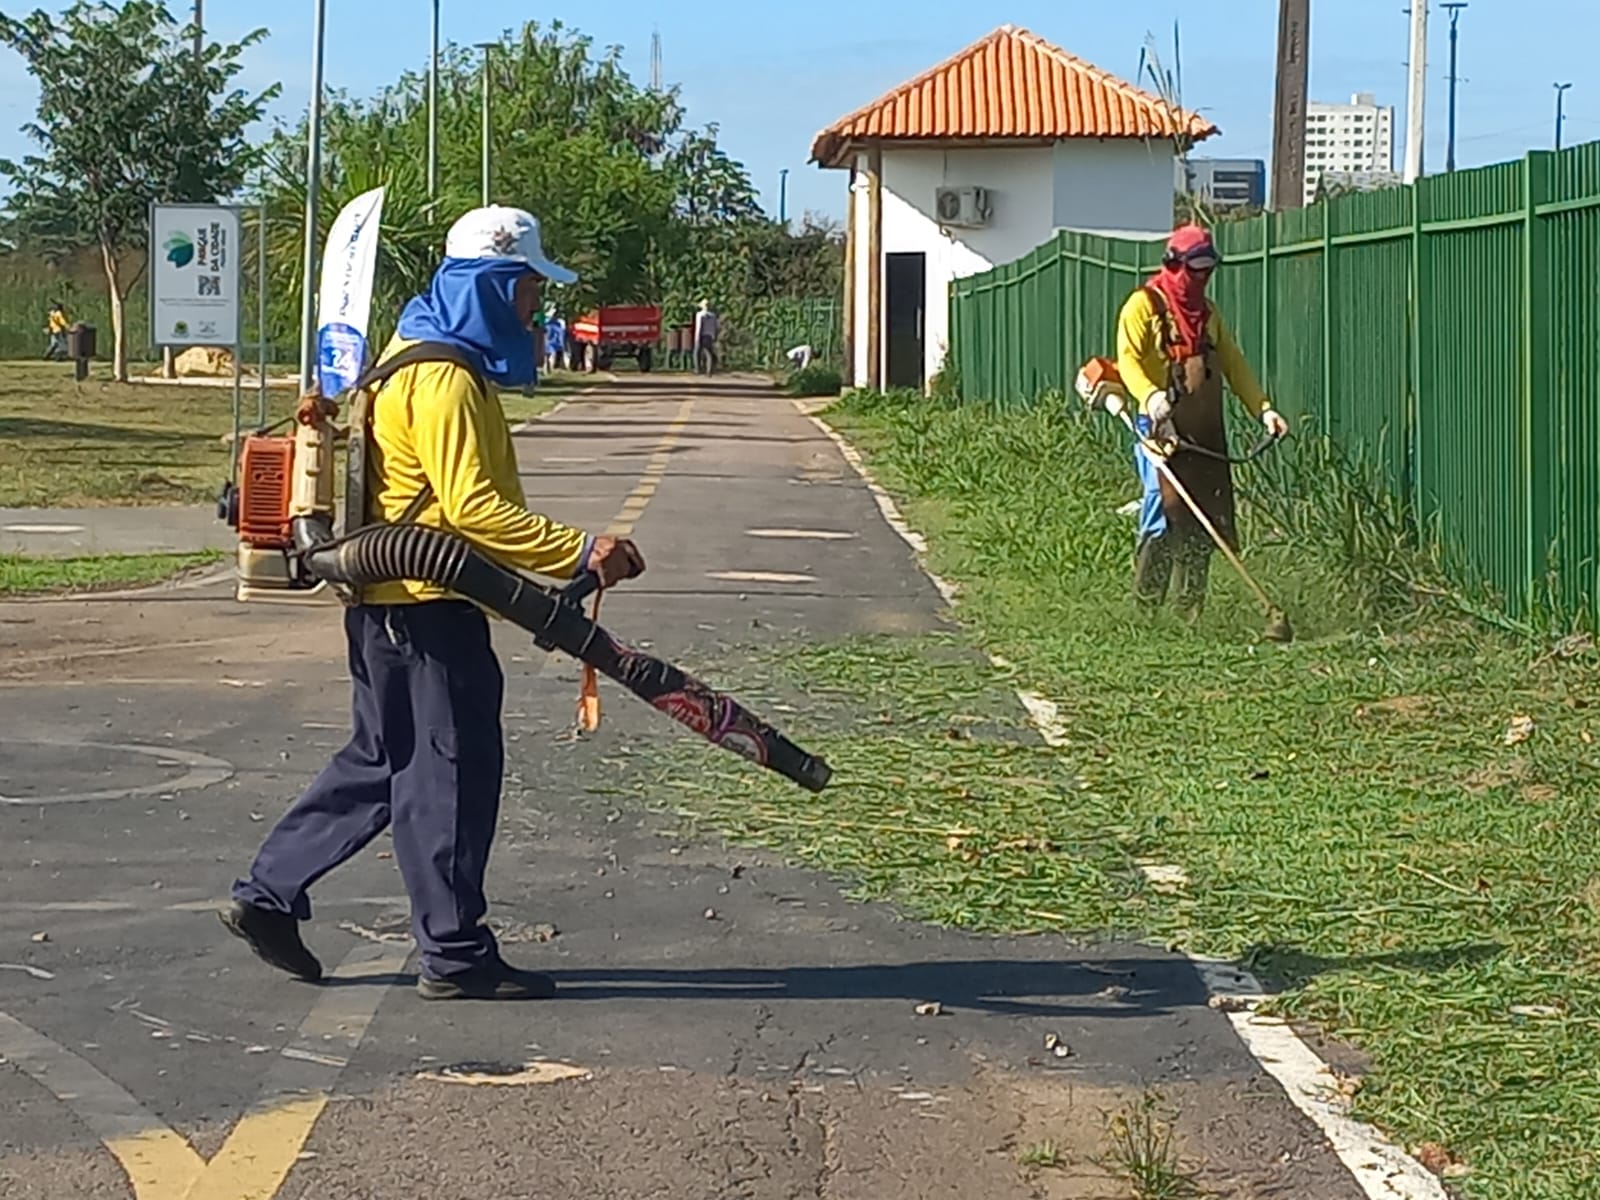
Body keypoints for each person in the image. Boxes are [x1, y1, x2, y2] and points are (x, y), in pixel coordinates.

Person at [221, 205, 646, 1002]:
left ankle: (267, 893)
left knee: (385, 762)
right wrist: (582, 550)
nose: (534, 309)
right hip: (427, 605)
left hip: (383, 606)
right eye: (526, 291)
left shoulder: (402, 357)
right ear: (492, 286)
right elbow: (473, 509)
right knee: (450, 773)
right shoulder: (444, 380)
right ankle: (453, 954)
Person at [1115, 224, 1289, 620]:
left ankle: (1188, 612)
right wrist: (1150, 395)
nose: (1202, 278)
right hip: (1157, 429)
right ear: (1174, 265)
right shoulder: (1142, 306)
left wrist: (1263, 409)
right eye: (1195, 269)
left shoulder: (1208, 315)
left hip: (1203, 432)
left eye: (1209, 270)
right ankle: (1146, 610)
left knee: (1203, 518)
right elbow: (1127, 359)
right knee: (1163, 508)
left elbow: (1233, 364)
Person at [693, 300, 719, 376]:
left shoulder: (699, 315)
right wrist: (714, 335)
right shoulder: (713, 315)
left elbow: (699, 326)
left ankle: (697, 369)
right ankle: (709, 370)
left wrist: (697, 337)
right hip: (709, 335)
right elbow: (715, 326)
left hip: (701, 335)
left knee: (697, 352)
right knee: (709, 353)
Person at [543, 305, 566, 372]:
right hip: (551, 342)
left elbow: (561, 333)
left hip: (556, 342)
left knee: (553, 355)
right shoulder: (549, 324)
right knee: (549, 355)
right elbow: (547, 333)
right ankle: (548, 368)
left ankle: (554, 367)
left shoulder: (559, 323)